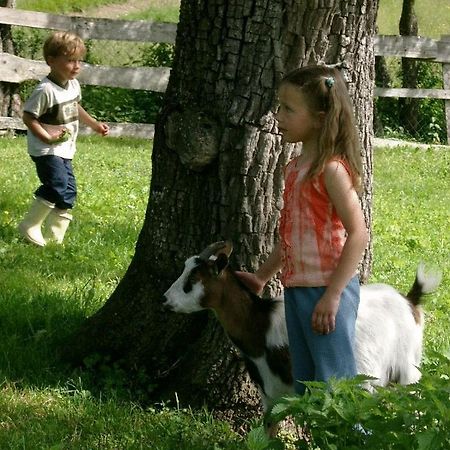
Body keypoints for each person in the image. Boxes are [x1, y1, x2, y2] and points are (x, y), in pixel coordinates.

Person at [238, 65, 369, 394]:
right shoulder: (295, 169)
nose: (278, 116)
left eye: (288, 109)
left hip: (327, 291)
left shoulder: (332, 171)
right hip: (297, 292)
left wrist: (334, 295)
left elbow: (358, 234)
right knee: (306, 384)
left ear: (320, 117)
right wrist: (262, 276)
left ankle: (350, 442)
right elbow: (293, 238)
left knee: (334, 385)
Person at [18, 31, 109, 247]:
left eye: (79, 60)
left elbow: (75, 108)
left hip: (65, 149)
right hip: (46, 150)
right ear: (51, 61)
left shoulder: (73, 84)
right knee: (56, 183)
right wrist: (46, 137)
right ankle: (30, 225)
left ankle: (54, 238)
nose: (76, 66)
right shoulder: (45, 90)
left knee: (68, 191)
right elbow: (29, 117)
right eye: (69, 60)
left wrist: (94, 124)